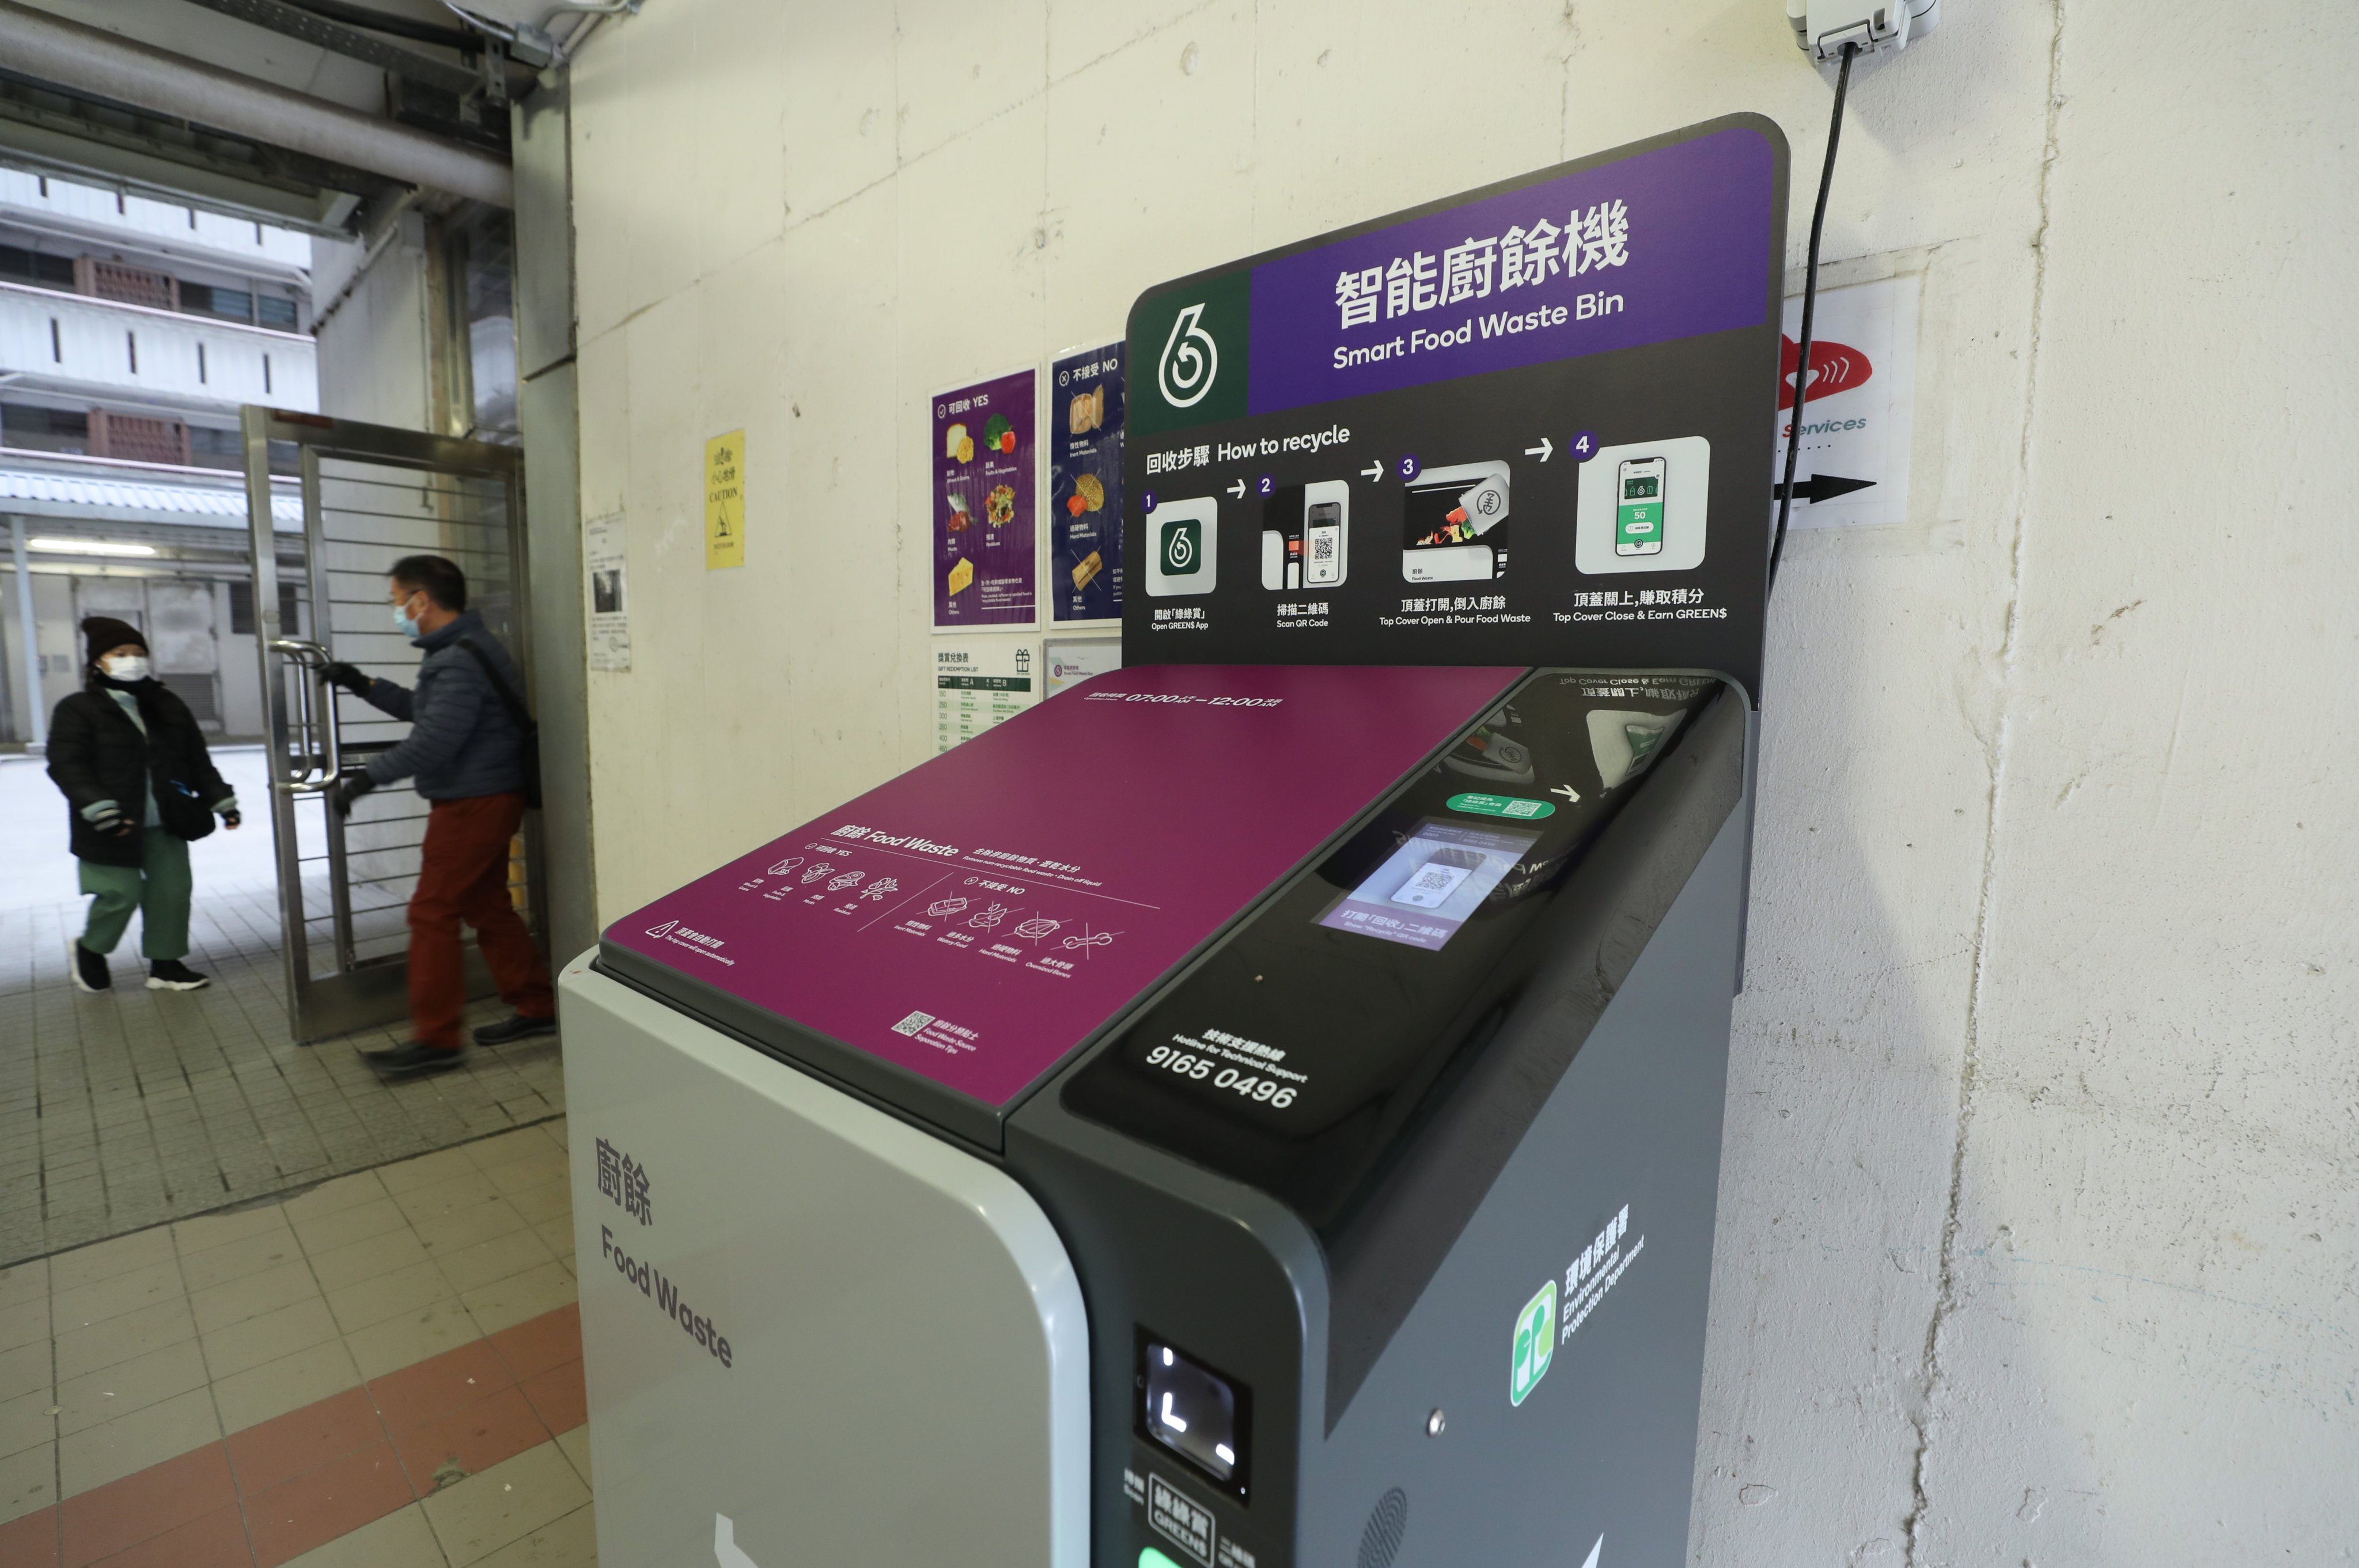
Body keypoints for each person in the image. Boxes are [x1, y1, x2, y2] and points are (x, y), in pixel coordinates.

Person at [324, 554, 554, 1077]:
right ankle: (538, 1005)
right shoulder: (462, 650)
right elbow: (427, 711)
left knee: (431, 912)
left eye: (397, 602)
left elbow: (434, 740)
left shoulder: (456, 659)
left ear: (420, 600)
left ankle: (436, 1040)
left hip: (473, 803)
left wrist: (365, 779)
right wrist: (361, 683)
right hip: (490, 795)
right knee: (487, 904)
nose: (397, 612)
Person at [47, 616, 241, 993]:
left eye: (138, 653)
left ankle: (165, 965)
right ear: (97, 662)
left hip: (168, 818)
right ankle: (91, 948)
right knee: (121, 895)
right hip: (111, 821)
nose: (131, 660)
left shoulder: (166, 704)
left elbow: (196, 760)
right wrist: (98, 806)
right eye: (120, 653)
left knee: (171, 892)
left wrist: (222, 801)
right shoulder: (78, 709)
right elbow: (68, 766)